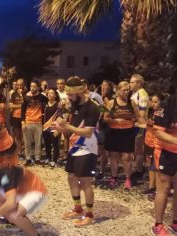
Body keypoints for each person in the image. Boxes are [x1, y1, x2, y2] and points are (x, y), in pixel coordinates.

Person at [53, 77, 100, 226]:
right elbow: (73, 127)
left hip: (88, 148)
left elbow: (87, 133)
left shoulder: (93, 107)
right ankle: (78, 208)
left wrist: (66, 126)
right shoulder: (74, 104)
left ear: (79, 91)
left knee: (85, 182)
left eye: (70, 94)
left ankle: (90, 215)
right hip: (74, 148)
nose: (68, 96)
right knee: (71, 177)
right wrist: (59, 128)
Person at [104, 81, 143, 190]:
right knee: (114, 156)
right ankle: (114, 177)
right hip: (114, 132)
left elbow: (137, 116)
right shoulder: (111, 103)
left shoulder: (132, 103)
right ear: (118, 90)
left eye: (127, 90)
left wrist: (136, 121)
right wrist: (114, 120)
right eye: (124, 90)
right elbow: (104, 117)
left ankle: (128, 178)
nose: (126, 92)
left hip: (127, 133)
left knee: (126, 157)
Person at [152, 94, 177, 236]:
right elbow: (158, 132)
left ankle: (175, 222)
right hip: (165, 152)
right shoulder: (168, 103)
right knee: (164, 188)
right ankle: (158, 225)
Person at [21, 80, 47, 165]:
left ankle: (37, 159)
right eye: (31, 86)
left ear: (38, 87)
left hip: (38, 122)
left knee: (38, 142)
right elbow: (22, 110)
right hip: (28, 122)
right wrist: (23, 122)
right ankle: (28, 158)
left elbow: (50, 101)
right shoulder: (25, 97)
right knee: (27, 142)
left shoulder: (42, 97)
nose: (32, 88)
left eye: (34, 86)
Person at [141, 94, 162, 197]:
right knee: (150, 166)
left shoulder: (163, 114)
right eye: (152, 101)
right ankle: (151, 186)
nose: (153, 104)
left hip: (157, 143)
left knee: (157, 166)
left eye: (156, 101)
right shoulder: (150, 112)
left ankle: (158, 189)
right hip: (148, 141)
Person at [130, 74, 149, 180]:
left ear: (139, 83)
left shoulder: (142, 94)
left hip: (140, 125)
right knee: (135, 148)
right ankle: (136, 169)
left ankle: (139, 171)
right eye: (130, 82)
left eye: (133, 82)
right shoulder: (134, 93)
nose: (130, 84)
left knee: (138, 149)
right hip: (135, 124)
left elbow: (141, 113)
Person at [42, 88, 61, 167]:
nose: (49, 94)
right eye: (49, 93)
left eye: (52, 93)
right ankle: (48, 158)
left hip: (54, 128)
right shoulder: (45, 104)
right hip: (46, 127)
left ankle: (55, 160)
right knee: (47, 144)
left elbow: (60, 117)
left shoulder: (58, 105)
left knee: (55, 144)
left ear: (55, 95)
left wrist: (58, 129)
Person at [10, 78, 26, 157]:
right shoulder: (14, 94)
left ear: (24, 85)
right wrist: (21, 106)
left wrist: (22, 96)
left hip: (25, 117)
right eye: (18, 85)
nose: (19, 86)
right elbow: (11, 106)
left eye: (21, 85)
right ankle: (18, 151)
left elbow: (27, 106)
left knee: (24, 135)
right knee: (17, 134)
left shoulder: (27, 93)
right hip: (15, 117)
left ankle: (24, 150)